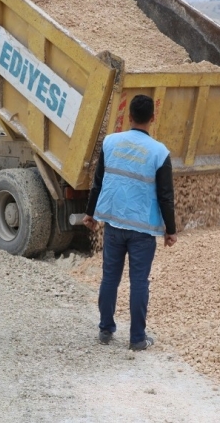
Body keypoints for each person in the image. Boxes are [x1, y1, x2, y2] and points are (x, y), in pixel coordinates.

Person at [83, 94, 178, 351]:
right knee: (139, 282)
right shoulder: (159, 152)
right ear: (153, 118)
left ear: (129, 116)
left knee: (109, 278)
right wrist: (170, 231)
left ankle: (105, 329)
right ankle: (137, 339)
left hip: (113, 223)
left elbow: (98, 181)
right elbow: (165, 195)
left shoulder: (111, 142)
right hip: (143, 230)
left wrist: (90, 213)